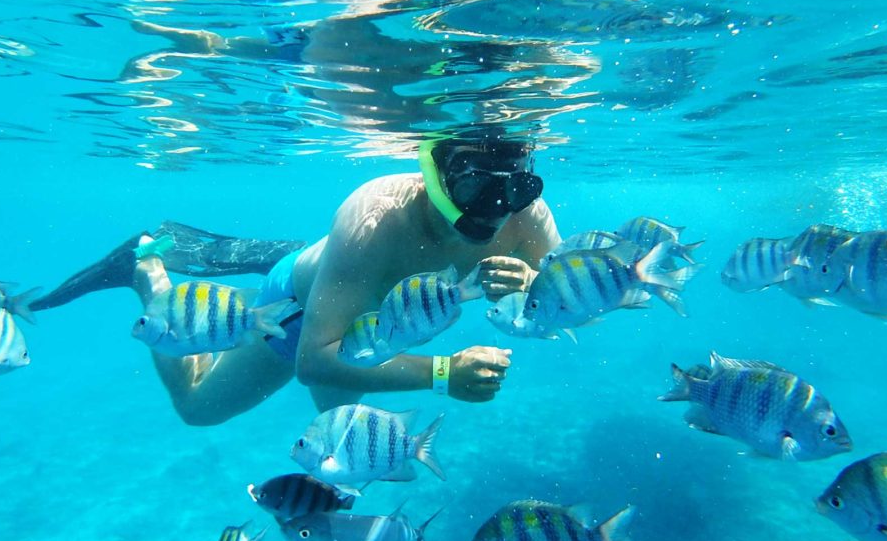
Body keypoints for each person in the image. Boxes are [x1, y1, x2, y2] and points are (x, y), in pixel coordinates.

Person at [37, 131, 560, 425]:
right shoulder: (375, 219)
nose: (496, 208)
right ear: (437, 174)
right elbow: (315, 361)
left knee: (344, 444)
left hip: (356, 293)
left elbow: (566, 293)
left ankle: (319, 260)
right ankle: (147, 273)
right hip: (299, 313)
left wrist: (534, 283)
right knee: (198, 409)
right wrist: (444, 373)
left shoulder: (525, 214)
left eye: (516, 187)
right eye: (474, 187)